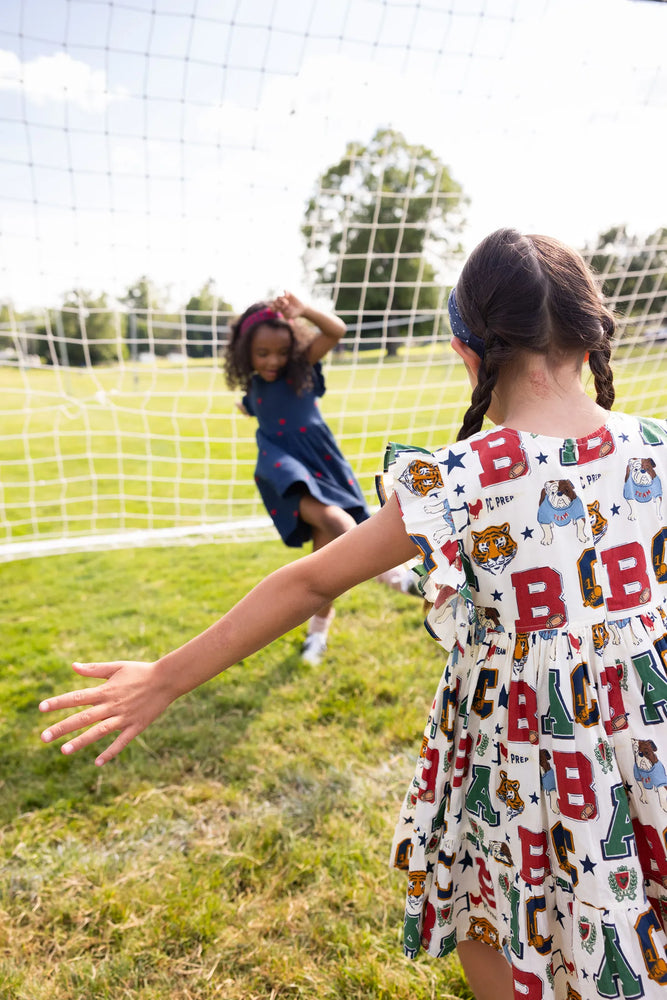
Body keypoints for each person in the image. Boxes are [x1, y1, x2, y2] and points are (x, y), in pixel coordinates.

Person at [39, 228, 667, 1000]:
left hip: (525, 748)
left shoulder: (465, 477)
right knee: (635, 893)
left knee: (498, 914)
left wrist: (166, 677)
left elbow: (307, 584)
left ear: (463, 351)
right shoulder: (654, 448)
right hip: (647, 729)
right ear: (590, 335)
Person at [224, 291, 416, 664]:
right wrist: (246, 406)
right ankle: (395, 576)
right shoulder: (255, 388)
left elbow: (337, 330)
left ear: (292, 348)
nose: (273, 361)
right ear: (245, 351)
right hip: (282, 464)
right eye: (262, 354)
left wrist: (305, 310)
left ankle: (317, 637)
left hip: (322, 462)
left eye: (281, 352)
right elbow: (254, 406)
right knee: (332, 519)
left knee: (324, 559)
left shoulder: (301, 368)